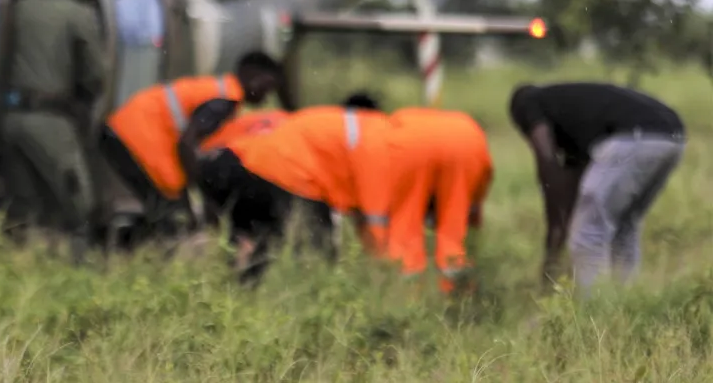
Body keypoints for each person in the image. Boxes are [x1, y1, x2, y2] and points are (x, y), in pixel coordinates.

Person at [508, 82, 685, 292]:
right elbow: (575, 180)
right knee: (623, 225)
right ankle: (624, 304)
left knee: (588, 231)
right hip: (672, 138)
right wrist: (561, 224)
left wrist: (556, 232)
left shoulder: (528, 103)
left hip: (633, 137)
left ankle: (593, 311)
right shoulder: (574, 120)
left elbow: (548, 160)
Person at [188, 101, 386, 283]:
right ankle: (320, 298)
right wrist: (379, 259)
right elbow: (369, 210)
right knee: (317, 249)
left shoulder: (337, 123)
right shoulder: (375, 141)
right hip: (285, 170)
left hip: (239, 164)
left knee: (260, 237)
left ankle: (240, 290)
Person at [102, 52, 288, 242]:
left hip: (125, 132)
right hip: (136, 139)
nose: (266, 96)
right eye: (268, 86)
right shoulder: (225, 99)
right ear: (253, 76)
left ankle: (125, 247)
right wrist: (202, 193)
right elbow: (186, 144)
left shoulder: (220, 90)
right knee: (172, 216)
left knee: (169, 210)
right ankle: (125, 248)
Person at [0, 0, 106, 245]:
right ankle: (77, 274)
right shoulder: (79, 14)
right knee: (79, 206)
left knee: (23, 209)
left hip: (9, 120)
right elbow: (95, 75)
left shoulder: (19, 7)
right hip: (49, 122)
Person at [355, 107, 493, 293]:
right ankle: (459, 299)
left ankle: (407, 299)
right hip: (466, 139)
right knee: (455, 233)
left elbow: (378, 216)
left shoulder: (381, 132)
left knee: (405, 230)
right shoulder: (465, 126)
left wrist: (378, 257)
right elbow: (477, 199)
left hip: (409, 143)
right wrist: (473, 230)